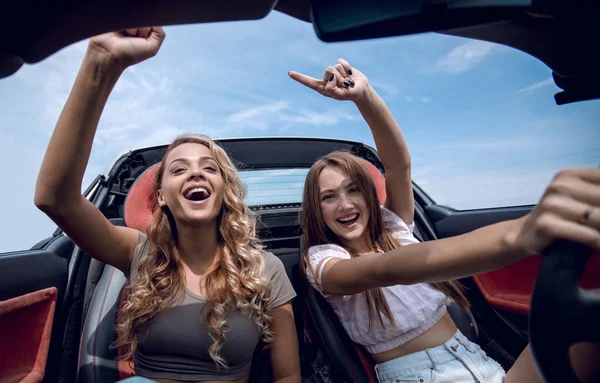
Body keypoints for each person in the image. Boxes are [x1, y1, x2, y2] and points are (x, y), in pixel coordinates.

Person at [290, 59, 600, 383]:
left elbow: (399, 165)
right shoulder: (323, 261)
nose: (345, 204)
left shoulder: (394, 228)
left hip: (479, 361)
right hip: (418, 376)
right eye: (329, 196)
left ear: (369, 196)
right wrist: (520, 234)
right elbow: (388, 269)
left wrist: (365, 97)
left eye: (354, 190)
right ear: (317, 209)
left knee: (587, 323)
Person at [35, 27, 301, 383]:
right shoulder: (140, 251)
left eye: (209, 168)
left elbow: (287, 377)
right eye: (179, 169)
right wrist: (101, 62)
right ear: (161, 196)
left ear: (223, 190)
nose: (196, 175)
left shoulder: (265, 269)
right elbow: (56, 199)